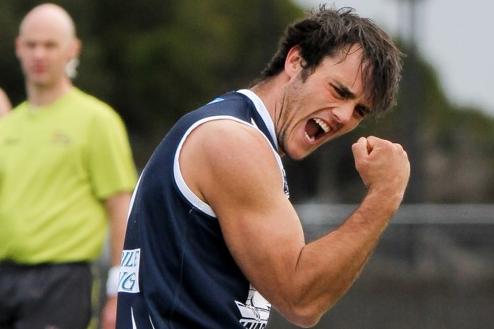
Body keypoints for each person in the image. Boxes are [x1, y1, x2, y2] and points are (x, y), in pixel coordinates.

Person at [116, 6, 408, 329]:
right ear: (296, 62)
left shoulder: (237, 133)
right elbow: (301, 299)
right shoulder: (233, 142)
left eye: (360, 111)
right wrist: (385, 194)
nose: (344, 116)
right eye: (339, 91)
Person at [0, 4, 137, 329]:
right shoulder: (8, 125)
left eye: (50, 45)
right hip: (6, 277)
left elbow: (121, 209)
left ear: (72, 50)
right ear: (18, 47)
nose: (39, 54)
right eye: (31, 44)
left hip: (65, 281)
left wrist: (119, 292)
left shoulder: (97, 120)